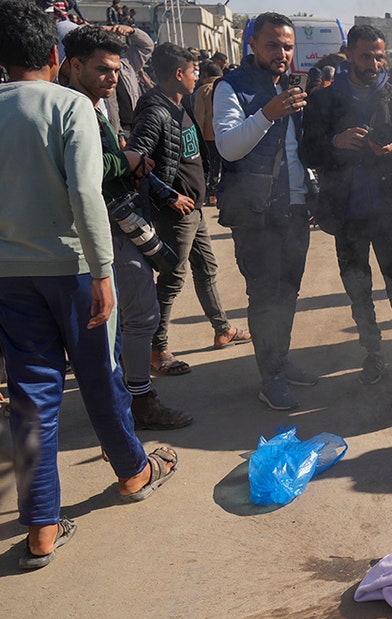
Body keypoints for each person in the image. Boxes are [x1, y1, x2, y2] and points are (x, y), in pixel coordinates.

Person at [0, 0, 177, 570]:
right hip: (73, 270)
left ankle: (42, 526)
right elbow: (85, 192)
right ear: (55, 55)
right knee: (100, 376)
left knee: (32, 397)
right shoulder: (68, 105)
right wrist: (103, 271)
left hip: (10, 275)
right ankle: (132, 472)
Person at [63, 25, 194, 430]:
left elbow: (118, 152)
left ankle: (127, 398)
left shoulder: (100, 103)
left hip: (116, 221)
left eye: (117, 69)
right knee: (139, 317)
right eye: (103, 69)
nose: (113, 77)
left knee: (123, 322)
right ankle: (139, 402)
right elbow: (83, 166)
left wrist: (141, 172)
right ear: (73, 65)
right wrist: (128, 163)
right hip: (102, 227)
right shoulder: (68, 106)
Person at [299, 24, 392, 387]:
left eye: (379, 55)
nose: (374, 62)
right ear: (350, 55)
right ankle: (372, 352)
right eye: (366, 55)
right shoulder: (325, 99)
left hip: (390, 213)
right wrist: (336, 142)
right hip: (348, 214)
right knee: (358, 289)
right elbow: (308, 151)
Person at [127, 42, 251, 379]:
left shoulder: (180, 106)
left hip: (193, 209)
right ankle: (157, 348)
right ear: (178, 73)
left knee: (207, 268)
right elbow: (134, 161)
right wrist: (169, 197)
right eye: (194, 70)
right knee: (172, 278)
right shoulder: (155, 111)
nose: (198, 75)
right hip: (175, 213)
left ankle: (222, 328)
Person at [213, 12, 317, 409]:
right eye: (273, 44)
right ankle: (270, 376)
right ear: (252, 44)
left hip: (293, 208)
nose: (282, 53)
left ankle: (282, 360)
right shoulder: (231, 86)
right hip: (255, 213)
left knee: (289, 292)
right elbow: (228, 147)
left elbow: (297, 149)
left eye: (288, 46)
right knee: (265, 296)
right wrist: (268, 112)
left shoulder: (292, 85)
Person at [193, 60, 223, 205]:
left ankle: (212, 194)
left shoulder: (203, 90)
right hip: (226, 134)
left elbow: (199, 115)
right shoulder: (226, 87)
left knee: (211, 166)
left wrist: (198, 137)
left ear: (204, 74)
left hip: (209, 135)